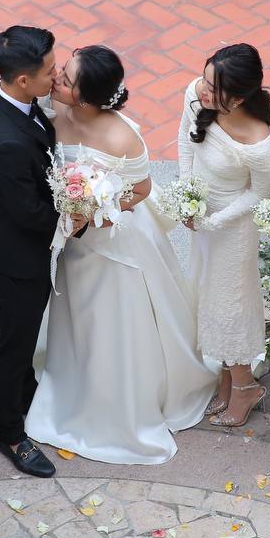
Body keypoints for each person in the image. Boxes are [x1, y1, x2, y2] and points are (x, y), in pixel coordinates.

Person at [25, 46, 216, 463]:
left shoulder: (120, 136)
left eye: (68, 80)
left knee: (112, 320)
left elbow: (142, 190)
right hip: (72, 240)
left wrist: (95, 212)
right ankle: (73, 380)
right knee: (77, 316)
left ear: (87, 98)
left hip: (112, 241)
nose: (58, 79)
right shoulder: (52, 107)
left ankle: (121, 403)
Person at [0, 25, 77, 478]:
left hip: (18, 242)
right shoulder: (6, 143)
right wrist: (84, 211)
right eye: (50, 72)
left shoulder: (5, 96)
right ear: (22, 81)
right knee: (13, 346)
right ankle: (10, 433)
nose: (56, 79)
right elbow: (34, 215)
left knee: (24, 337)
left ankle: (28, 394)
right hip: (14, 258)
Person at [177, 44, 270, 428]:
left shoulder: (258, 142)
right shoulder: (197, 93)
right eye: (204, 78)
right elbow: (186, 140)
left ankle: (246, 386)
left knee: (229, 310)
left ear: (238, 97)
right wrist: (187, 196)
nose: (201, 90)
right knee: (206, 300)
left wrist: (215, 221)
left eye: (212, 87)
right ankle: (225, 377)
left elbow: (259, 193)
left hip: (233, 228)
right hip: (199, 219)